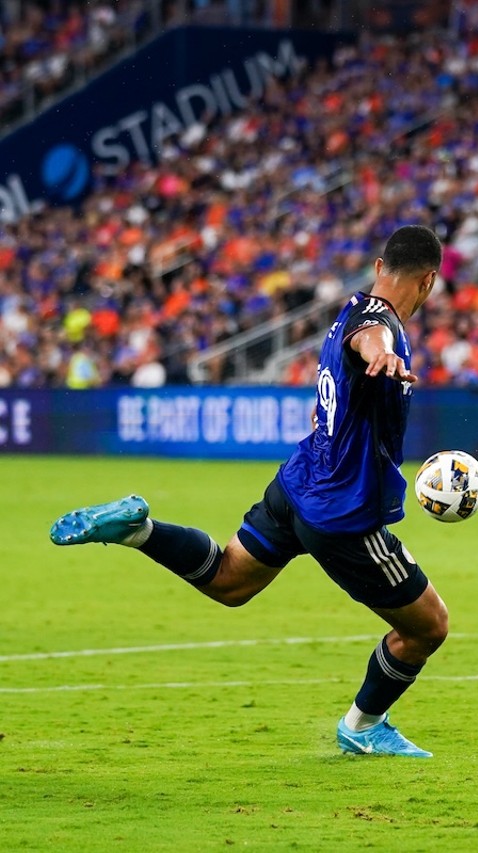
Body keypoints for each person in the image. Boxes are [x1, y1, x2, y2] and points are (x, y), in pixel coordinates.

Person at [49, 225, 448, 759]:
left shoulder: (353, 307)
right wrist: (383, 355)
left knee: (230, 581)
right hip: (341, 511)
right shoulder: (379, 329)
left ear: (380, 267)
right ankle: (363, 725)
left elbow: (343, 371)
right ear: (428, 281)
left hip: (300, 479)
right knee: (427, 628)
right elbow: (368, 342)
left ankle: (137, 530)